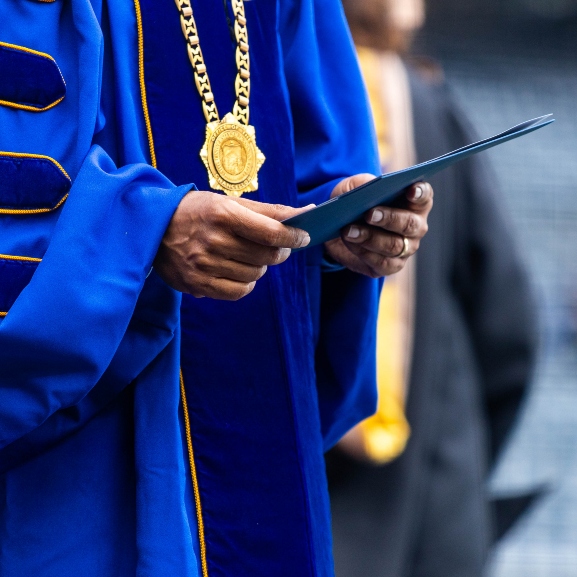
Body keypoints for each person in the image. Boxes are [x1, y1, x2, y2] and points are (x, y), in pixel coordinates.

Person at [0, 1, 433, 575]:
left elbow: (319, 164)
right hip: (72, 487)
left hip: (260, 450)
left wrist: (339, 233)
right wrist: (143, 237)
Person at [327, 0, 538, 575]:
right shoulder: (431, 108)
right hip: (433, 501)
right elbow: (509, 322)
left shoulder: (278, 110)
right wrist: (465, 459)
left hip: (301, 492)